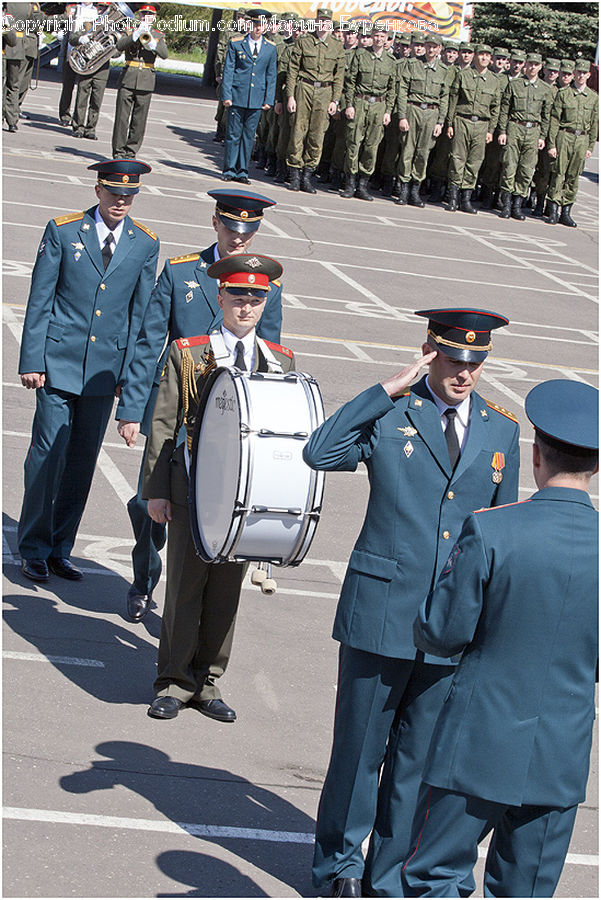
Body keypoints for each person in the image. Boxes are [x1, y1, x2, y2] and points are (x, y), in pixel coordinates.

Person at [303, 308, 520, 898]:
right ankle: (338, 869)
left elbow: (500, 532)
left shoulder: (501, 429)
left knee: (416, 765)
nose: (465, 373)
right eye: (454, 359)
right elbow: (320, 452)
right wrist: (385, 388)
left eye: (476, 362)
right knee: (357, 754)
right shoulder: (394, 411)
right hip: (380, 611)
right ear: (430, 352)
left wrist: (490, 625)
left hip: (451, 625)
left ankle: (388, 875)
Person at [402, 379, 598, 898]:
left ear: (536, 457)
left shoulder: (493, 530)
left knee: (434, 877)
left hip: (476, 743)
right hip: (560, 753)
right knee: (527, 889)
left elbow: (441, 634)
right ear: (596, 466)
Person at [116, 189, 283, 623]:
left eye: (248, 230)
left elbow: (271, 357)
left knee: (219, 507)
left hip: (233, 425)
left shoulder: (266, 287)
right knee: (148, 502)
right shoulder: (181, 271)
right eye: (231, 228)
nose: (239, 238)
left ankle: (194, 607)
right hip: (176, 413)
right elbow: (149, 341)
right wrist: (133, 410)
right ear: (215, 223)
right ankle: (143, 580)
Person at [142, 254, 295, 722]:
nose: (247, 307)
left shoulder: (280, 360)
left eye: (256, 298)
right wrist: (156, 489)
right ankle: (173, 680)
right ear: (220, 297)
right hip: (193, 486)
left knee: (226, 589)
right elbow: (165, 424)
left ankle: (207, 681)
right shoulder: (190, 352)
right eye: (238, 296)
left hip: (246, 495)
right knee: (185, 586)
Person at [17, 159, 159, 583]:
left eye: (129, 195)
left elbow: (139, 316)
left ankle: (61, 547)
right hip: (57, 365)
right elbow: (40, 298)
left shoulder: (144, 243)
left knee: (81, 462)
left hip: (103, 372)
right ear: (98, 191)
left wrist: (129, 377)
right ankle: (34, 546)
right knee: (47, 456)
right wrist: (32, 361)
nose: (121, 201)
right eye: (114, 193)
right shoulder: (63, 231)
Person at [285, 7, 345, 193]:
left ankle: (307, 175)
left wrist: (335, 100)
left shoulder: (337, 46)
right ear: (316, 22)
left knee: (317, 135)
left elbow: (339, 76)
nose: (323, 24)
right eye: (320, 21)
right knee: (298, 131)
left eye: (327, 22)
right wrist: (290, 96)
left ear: (331, 24)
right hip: (304, 88)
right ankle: (294, 174)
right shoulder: (304, 41)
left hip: (325, 92)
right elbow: (293, 70)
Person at [221, 7, 277, 184]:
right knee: (233, 134)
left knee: (248, 135)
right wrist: (226, 95)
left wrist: (269, 99)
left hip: (256, 98)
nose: (258, 28)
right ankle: (230, 169)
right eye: (255, 24)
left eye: (261, 25)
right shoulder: (236, 43)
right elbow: (229, 70)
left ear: (266, 26)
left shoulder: (270, 48)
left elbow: (271, 75)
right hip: (238, 95)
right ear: (249, 24)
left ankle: (243, 171)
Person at [341, 21, 395, 201]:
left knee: (372, 146)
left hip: (379, 106)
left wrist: (388, 111)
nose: (379, 39)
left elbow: (392, 89)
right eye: (376, 36)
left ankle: (363, 184)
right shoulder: (361, 55)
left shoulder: (390, 61)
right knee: (354, 143)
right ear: (371, 37)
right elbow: (350, 82)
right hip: (360, 102)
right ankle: (350, 183)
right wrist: (349, 104)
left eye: (382, 37)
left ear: (387, 39)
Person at [497, 52, 553, 221]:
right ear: (525, 66)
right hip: (515, 127)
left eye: (536, 65)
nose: (532, 67)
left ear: (540, 67)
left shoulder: (545, 89)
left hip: (534, 131)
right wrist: (503, 131)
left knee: (527, 169)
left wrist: (542, 136)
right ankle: (506, 205)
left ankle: (517, 205)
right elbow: (504, 110)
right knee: (509, 166)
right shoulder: (515, 85)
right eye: (530, 64)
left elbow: (546, 116)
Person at [445, 44, 500, 213]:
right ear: (476, 56)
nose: (484, 58)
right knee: (457, 158)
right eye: (481, 54)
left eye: (487, 55)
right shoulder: (463, 75)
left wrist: (491, 130)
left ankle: (466, 198)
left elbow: (495, 107)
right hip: (462, 120)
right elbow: (453, 100)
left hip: (482, 124)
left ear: (490, 59)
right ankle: (453, 197)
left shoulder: (494, 81)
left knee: (475, 161)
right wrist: (450, 123)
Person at [396, 33, 449, 207]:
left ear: (439, 49)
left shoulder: (444, 71)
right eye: (428, 46)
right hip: (413, 109)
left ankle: (415, 190)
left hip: (431, 113)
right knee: (408, 150)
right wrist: (402, 116)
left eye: (434, 46)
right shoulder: (413, 65)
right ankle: (403, 189)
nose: (431, 49)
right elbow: (402, 91)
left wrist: (440, 122)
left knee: (423, 153)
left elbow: (444, 98)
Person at [111, 3, 168, 159]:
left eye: (149, 15)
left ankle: (131, 151)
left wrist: (153, 43)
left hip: (146, 81)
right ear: (139, 16)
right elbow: (119, 45)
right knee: (122, 118)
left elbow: (164, 54)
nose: (145, 18)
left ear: (154, 18)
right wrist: (134, 36)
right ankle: (118, 151)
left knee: (139, 120)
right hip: (128, 78)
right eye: (143, 15)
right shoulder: (131, 30)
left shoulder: (158, 35)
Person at [546, 59, 598, 228]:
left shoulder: (593, 97)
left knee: (573, 175)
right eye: (579, 73)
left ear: (589, 76)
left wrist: (590, 146)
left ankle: (566, 211)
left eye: (584, 73)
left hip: (581, 139)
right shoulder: (564, 93)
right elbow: (554, 120)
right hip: (564, 136)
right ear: (574, 74)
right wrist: (552, 144)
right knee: (559, 173)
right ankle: (553, 210)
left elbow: (594, 123)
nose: (581, 76)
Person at [69, 1, 111, 140]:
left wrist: (107, 49)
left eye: (105, 8)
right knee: (82, 96)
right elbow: (72, 38)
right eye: (100, 7)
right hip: (86, 66)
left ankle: (91, 128)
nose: (102, 10)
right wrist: (81, 38)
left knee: (96, 100)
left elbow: (118, 51)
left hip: (102, 68)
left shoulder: (111, 28)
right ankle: (78, 126)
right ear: (95, 8)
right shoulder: (88, 24)